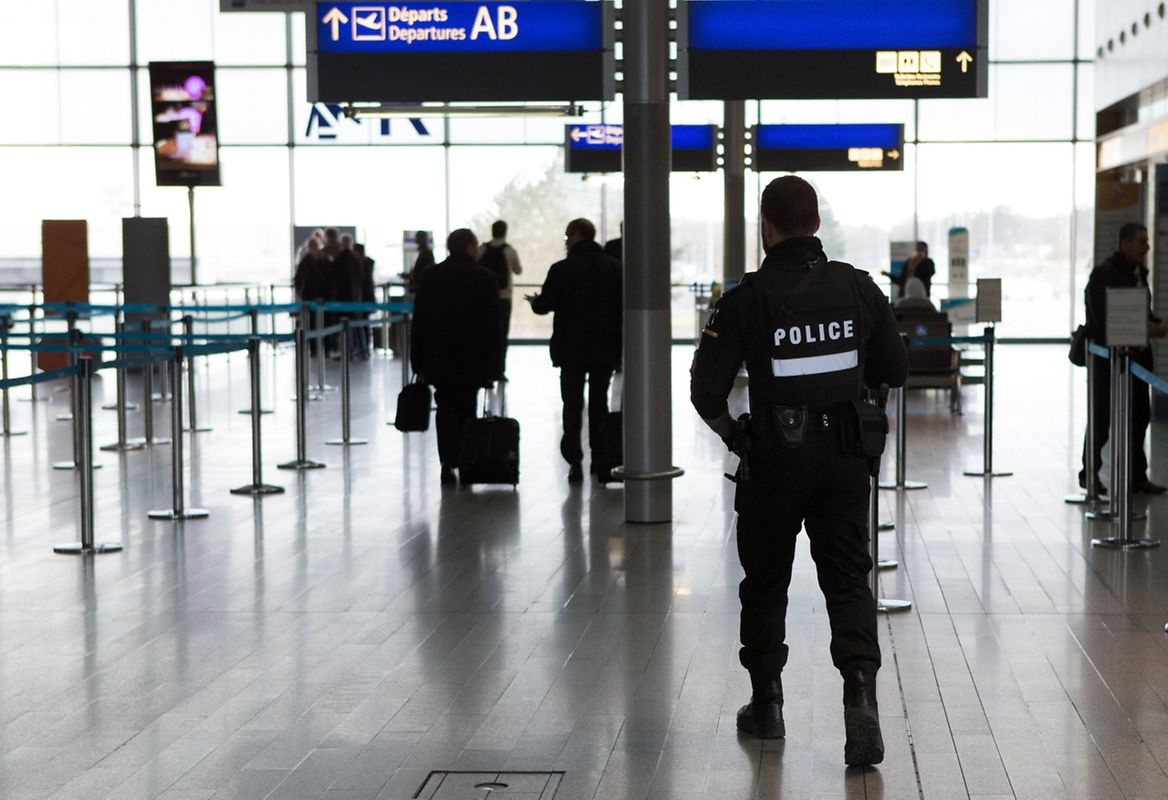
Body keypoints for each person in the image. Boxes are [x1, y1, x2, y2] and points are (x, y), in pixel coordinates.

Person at [689, 176, 907, 766]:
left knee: (765, 582)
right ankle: (860, 697)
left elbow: (706, 391)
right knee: (848, 578)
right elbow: (895, 367)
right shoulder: (858, 288)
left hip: (774, 462)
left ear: (766, 227)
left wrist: (736, 437)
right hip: (844, 459)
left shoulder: (745, 298)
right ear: (816, 224)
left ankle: (768, 706)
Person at [527, 218, 622, 484]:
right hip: (604, 347)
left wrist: (535, 301)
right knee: (599, 405)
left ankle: (575, 462)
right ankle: (600, 462)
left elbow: (544, 305)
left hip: (570, 349)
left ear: (578, 235)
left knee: (572, 405)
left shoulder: (561, 269)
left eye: (567, 236)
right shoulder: (615, 267)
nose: (566, 242)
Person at [1080, 222, 1168, 494]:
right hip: (1108, 359)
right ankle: (1089, 475)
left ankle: (1136, 476)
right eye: (1142, 241)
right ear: (1126, 243)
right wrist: (1146, 326)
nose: (1147, 247)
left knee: (1140, 416)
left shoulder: (1138, 274)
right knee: (1101, 418)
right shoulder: (1103, 275)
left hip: (1137, 357)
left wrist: (1155, 324)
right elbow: (1104, 317)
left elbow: (1142, 311)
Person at [410, 229, 502, 485]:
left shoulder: (430, 276)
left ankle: (447, 462)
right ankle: (466, 459)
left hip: (439, 356)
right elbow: (493, 327)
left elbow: (420, 321)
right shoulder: (485, 278)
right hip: (473, 357)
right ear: (471, 247)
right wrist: (495, 366)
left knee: (445, 408)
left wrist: (417, 359)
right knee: (468, 406)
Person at [478, 220, 523, 381]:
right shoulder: (509, 251)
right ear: (505, 232)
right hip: (504, 297)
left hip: (484, 298)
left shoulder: (482, 249)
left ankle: (484, 368)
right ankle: (499, 371)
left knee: (484, 333)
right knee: (501, 335)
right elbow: (518, 270)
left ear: (492, 231)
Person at [293, 237, 331, 356]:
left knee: (326, 323)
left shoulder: (324, 260)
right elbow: (298, 279)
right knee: (312, 324)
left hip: (324, 298)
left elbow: (331, 277)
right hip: (310, 298)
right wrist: (302, 292)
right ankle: (314, 349)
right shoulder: (305, 262)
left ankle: (326, 349)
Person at [353, 243, 376, 359]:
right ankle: (364, 348)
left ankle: (364, 348)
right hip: (367, 297)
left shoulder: (361, 263)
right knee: (364, 323)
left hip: (363, 298)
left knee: (363, 323)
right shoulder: (368, 262)